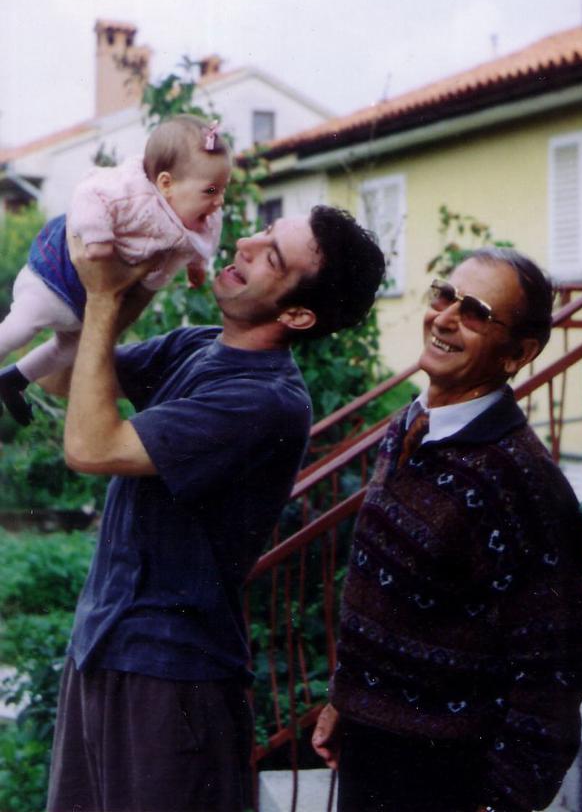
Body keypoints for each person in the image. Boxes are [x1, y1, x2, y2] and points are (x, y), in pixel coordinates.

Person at [44, 205, 386, 812]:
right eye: (264, 231)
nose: (246, 242)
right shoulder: (198, 346)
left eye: (272, 255)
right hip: (101, 646)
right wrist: (139, 277)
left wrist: (103, 298)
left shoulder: (265, 400)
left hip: (171, 678)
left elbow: (91, 447)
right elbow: (65, 375)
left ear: (297, 315)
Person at [312, 248, 582, 812]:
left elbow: (553, 677)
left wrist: (502, 802)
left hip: (445, 776)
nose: (444, 318)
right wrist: (347, 697)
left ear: (518, 354)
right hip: (369, 751)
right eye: (445, 295)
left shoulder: (524, 485)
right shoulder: (412, 425)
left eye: (475, 312)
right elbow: (386, 594)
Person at [0, 113, 231, 426]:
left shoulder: (202, 216)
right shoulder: (130, 191)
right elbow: (89, 193)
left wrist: (197, 266)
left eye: (224, 189)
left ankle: (14, 378)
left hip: (93, 296)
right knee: (20, 326)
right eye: (211, 190)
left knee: (70, 348)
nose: (219, 202)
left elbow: (201, 242)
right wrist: (97, 238)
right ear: (166, 184)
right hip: (58, 274)